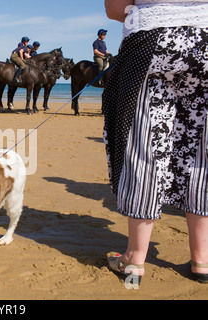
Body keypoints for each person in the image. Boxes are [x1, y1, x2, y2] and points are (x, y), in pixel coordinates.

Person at [103, 0, 208, 285]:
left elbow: (115, 8)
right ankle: (203, 259)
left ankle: (135, 259)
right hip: (206, 38)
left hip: (155, 39)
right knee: (201, 148)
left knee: (145, 145)